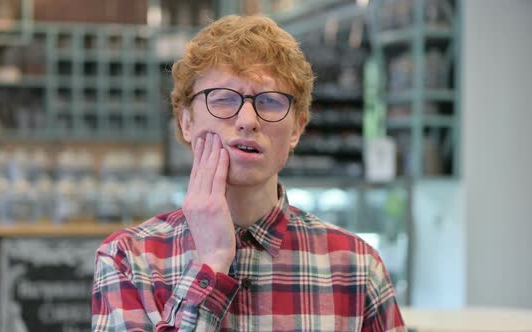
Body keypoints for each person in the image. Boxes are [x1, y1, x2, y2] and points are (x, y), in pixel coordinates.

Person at [92, 14, 406, 332]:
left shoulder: (357, 269)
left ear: (297, 127)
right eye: (224, 99)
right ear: (186, 122)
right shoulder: (129, 260)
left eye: (270, 102)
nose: (247, 120)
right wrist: (212, 263)